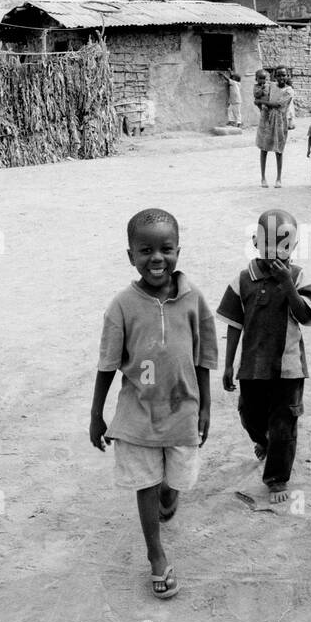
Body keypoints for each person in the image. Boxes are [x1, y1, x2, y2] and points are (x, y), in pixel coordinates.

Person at [90, 208, 218, 600]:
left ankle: (170, 491)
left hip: (182, 410)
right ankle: (156, 555)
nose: (156, 258)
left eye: (165, 249)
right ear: (130, 255)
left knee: (176, 479)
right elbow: (108, 363)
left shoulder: (194, 300)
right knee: (144, 482)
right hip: (137, 414)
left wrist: (206, 406)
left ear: (178, 250)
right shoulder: (122, 306)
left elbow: (205, 356)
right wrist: (97, 413)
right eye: (145, 250)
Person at [218, 209, 311, 505]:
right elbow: (234, 323)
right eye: (269, 246)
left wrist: (287, 283)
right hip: (252, 364)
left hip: (288, 367)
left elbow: (307, 317)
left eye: (284, 248)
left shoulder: (299, 276)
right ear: (255, 242)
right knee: (249, 414)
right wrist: (228, 364)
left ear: (294, 247)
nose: (276, 255)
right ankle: (263, 443)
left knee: (284, 423)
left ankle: (277, 477)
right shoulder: (242, 279)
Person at [256, 67, 293, 188]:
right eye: (279, 75)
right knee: (264, 148)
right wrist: (260, 103)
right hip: (266, 119)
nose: (281, 78)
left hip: (280, 121)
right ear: (275, 76)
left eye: (284, 75)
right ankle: (263, 178)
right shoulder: (270, 85)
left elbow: (278, 104)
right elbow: (258, 97)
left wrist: (262, 102)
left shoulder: (289, 90)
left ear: (287, 76)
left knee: (279, 150)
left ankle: (278, 178)